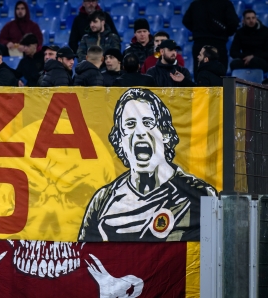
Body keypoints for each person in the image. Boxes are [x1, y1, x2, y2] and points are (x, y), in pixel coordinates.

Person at [78, 88, 217, 242]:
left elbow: (217, 250)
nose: (139, 132)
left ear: (165, 134)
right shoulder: (102, 200)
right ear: (120, 141)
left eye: (148, 122)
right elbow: (84, 257)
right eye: (130, 124)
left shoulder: (200, 194)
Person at [183, 0, 239, 74]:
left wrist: (197, 30)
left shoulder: (195, 4)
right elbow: (234, 23)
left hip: (200, 42)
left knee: (200, 74)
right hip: (218, 43)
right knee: (219, 75)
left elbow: (186, 20)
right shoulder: (225, 3)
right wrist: (225, 33)